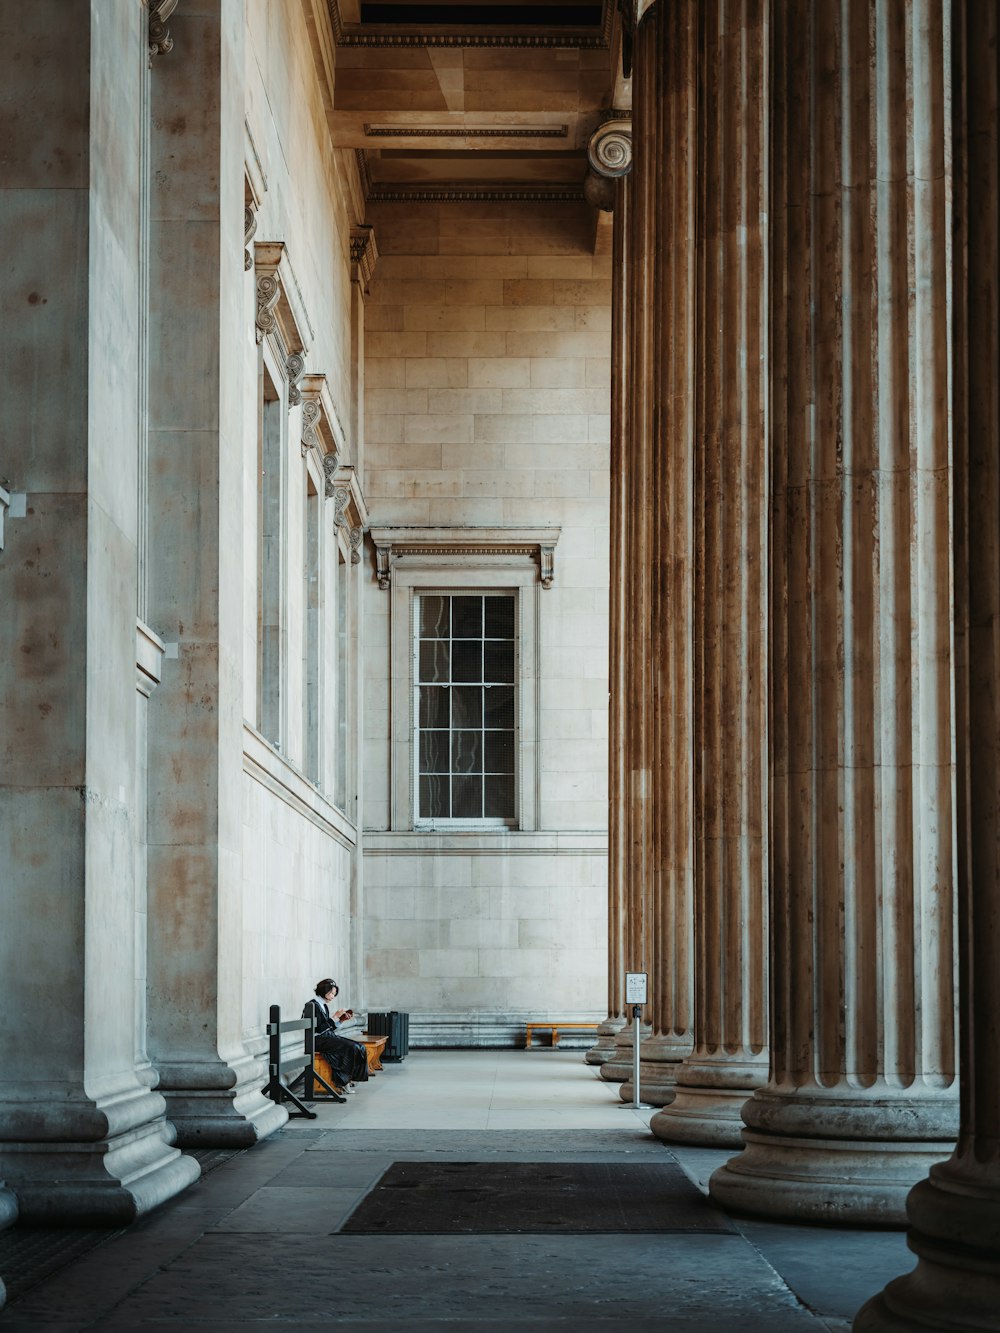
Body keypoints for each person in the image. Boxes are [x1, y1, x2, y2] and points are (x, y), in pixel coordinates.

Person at [303, 978, 369, 1094]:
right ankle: (343, 1082)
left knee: (359, 1047)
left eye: (334, 994)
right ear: (324, 991)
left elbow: (329, 1027)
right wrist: (334, 1018)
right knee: (351, 1047)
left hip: (326, 1038)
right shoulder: (312, 1005)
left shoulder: (324, 1006)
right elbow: (317, 1029)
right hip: (317, 1040)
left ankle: (350, 1078)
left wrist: (340, 1020)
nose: (333, 996)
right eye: (331, 993)